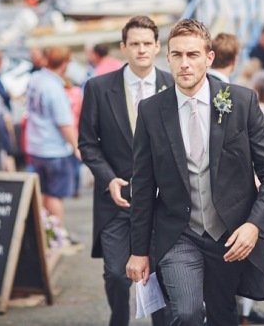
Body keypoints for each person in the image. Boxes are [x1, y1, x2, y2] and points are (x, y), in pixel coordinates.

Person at [126, 19, 264, 325]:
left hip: (229, 235)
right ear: (168, 58)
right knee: (187, 312)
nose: (184, 64)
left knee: (223, 315)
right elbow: (143, 187)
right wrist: (138, 251)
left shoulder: (240, 102)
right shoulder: (151, 111)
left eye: (192, 55)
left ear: (209, 57)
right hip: (179, 233)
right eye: (177, 55)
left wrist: (254, 225)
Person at [79, 16, 174, 326]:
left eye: (148, 43)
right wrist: (108, 179)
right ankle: (118, 320)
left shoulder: (173, 86)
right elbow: (87, 144)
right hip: (116, 202)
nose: (141, 50)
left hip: (163, 204)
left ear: (158, 47)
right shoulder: (98, 88)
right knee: (117, 276)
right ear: (123, 48)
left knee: (161, 279)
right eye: (135, 44)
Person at [209, 33, 264, 325]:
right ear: (236, 59)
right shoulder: (234, 94)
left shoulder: (239, 97)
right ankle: (243, 312)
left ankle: (242, 312)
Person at [24, 46, 80, 226]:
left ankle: (43, 234)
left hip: (35, 145)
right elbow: (64, 123)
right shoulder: (55, 88)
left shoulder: (35, 79)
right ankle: (57, 235)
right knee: (55, 195)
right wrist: (77, 147)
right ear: (64, 64)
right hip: (54, 149)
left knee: (42, 192)